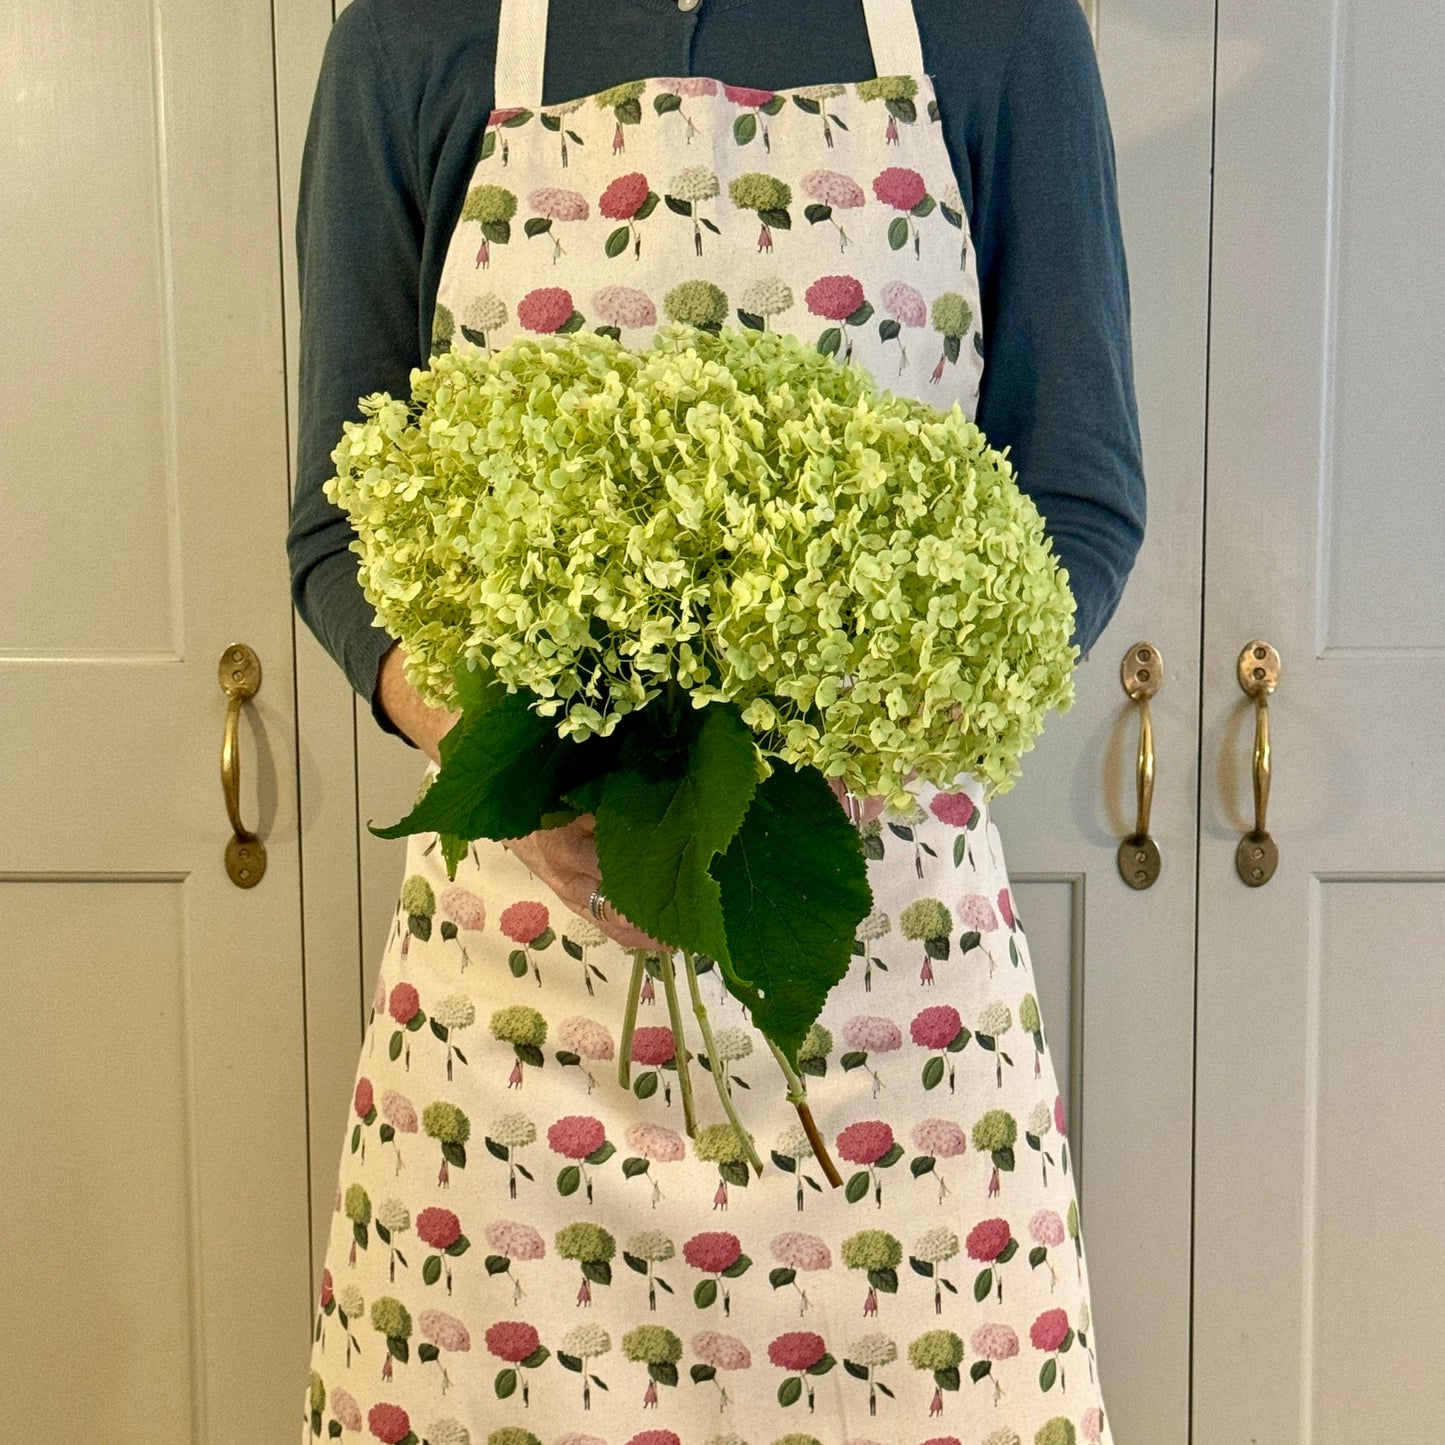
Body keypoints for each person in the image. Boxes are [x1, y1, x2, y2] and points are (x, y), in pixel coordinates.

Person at [291, 1, 1144, 1440]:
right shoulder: (410, 32)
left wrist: (867, 722)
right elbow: (337, 522)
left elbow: (1077, 491)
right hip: (514, 1026)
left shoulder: (996, 30)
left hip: (891, 1011)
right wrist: (526, 764)